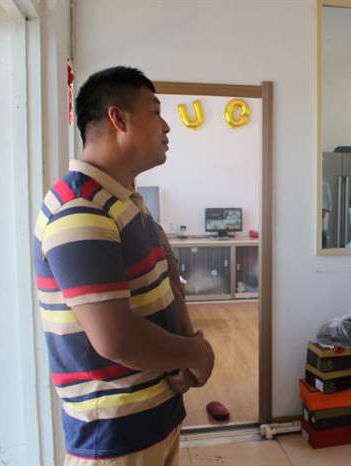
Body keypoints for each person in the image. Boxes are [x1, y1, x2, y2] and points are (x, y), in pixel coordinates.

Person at [33, 66, 215, 465]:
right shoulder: (80, 210)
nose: (166, 126)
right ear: (118, 118)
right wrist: (196, 353)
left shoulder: (124, 201)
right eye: (155, 112)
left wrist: (184, 348)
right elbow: (116, 339)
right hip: (114, 439)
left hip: (154, 420)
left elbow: (166, 280)